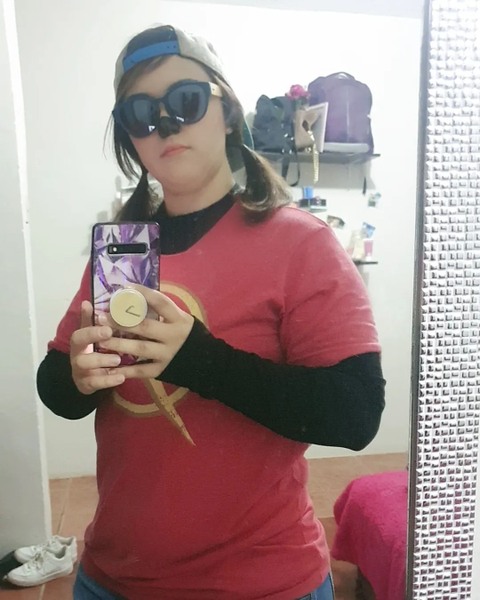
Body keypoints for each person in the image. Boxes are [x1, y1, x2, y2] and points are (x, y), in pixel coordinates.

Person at [37, 23, 386, 600]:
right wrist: (76, 376)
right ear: (130, 138)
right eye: (141, 114)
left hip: (263, 584)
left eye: (187, 100)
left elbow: (355, 413)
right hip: (111, 579)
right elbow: (57, 389)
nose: (165, 124)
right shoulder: (123, 248)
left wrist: (199, 360)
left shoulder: (300, 243)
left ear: (227, 112)